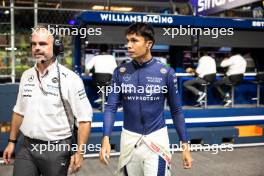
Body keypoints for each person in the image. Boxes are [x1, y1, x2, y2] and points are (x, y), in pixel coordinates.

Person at [99, 22, 192, 176]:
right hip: (129, 140)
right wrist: (106, 138)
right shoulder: (120, 72)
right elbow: (111, 107)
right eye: (128, 40)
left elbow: (176, 111)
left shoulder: (165, 72)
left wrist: (185, 147)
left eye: (134, 41)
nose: (128, 45)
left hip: (156, 140)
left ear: (149, 44)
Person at [2, 25, 93, 176]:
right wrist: (11, 142)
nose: (37, 48)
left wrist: (80, 153)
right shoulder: (26, 76)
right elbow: (19, 112)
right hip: (27, 147)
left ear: (56, 47)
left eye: (43, 44)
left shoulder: (70, 79)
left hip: (56, 149)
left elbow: (84, 120)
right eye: (34, 44)